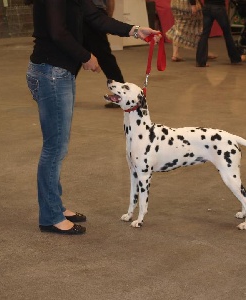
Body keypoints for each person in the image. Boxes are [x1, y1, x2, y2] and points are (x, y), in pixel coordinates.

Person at [25, 0, 160, 235]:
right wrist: (85, 56)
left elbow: (97, 18)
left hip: (60, 72)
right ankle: (50, 216)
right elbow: (58, 32)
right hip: (51, 73)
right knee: (55, 148)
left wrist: (136, 31)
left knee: (58, 146)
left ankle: (54, 205)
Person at [84, 0, 124, 108]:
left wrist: (107, 20)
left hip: (94, 14)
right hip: (85, 14)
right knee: (74, 54)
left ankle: (121, 94)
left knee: (104, 56)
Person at [196, 0, 245, 67]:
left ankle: (200, 61)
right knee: (227, 33)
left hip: (207, 7)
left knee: (204, 34)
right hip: (219, 8)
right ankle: (235, 58)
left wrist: (193, 3)